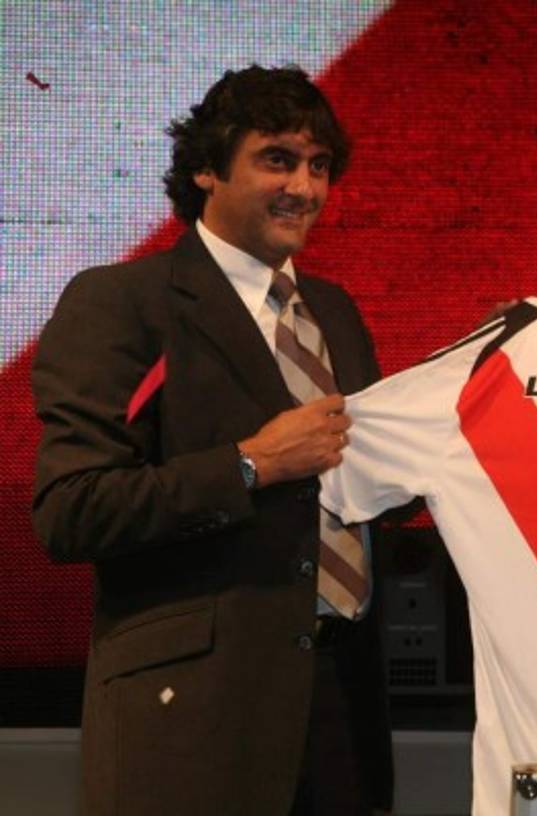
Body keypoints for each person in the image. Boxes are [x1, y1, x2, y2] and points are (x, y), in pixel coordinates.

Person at [32, 65, 393, 815]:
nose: (305, 186)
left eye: (320, 165)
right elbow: (73, 509)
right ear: (205, 169)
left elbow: (354, 495)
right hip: (192, 718)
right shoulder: (124, 301)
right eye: (277, 159)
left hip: (340, 711)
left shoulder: (335, 311)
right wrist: (254, 463)